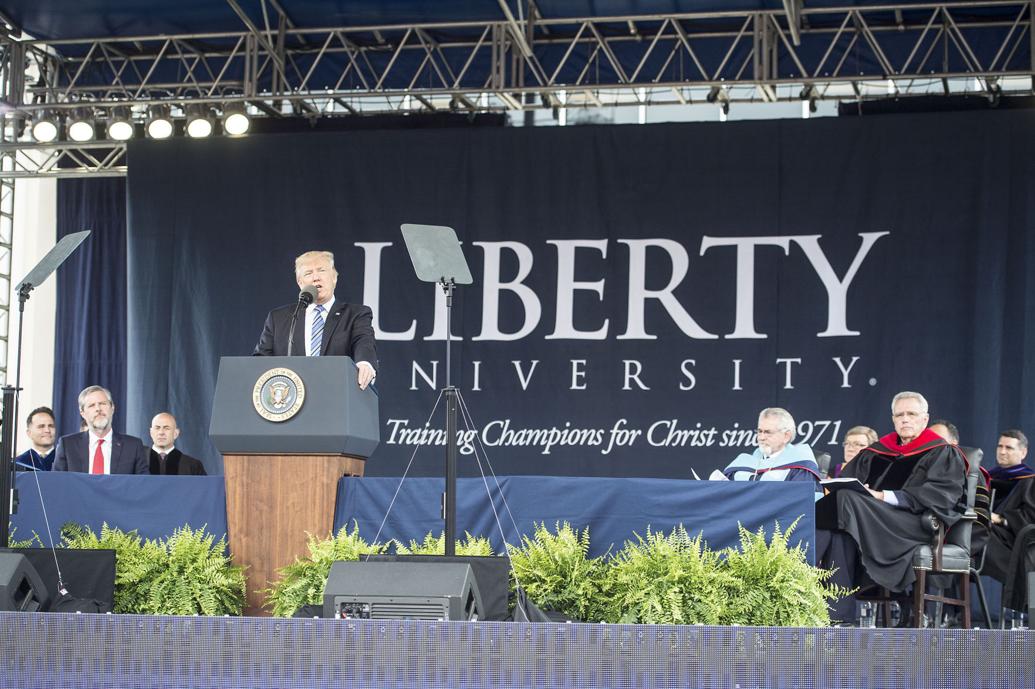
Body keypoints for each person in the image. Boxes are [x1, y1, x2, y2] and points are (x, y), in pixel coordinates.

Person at [815, 391, 967, 623]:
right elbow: (847, 478)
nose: (905, 419)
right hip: (871, 519)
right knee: (837, 533)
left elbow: (940, 497)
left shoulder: (942, 452)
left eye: (911, 414)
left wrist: (882, 495)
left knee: (844, 500)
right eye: (899, 415)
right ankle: (838, 617)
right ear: (893, 419)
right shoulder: (877, 451)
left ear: (925, 419)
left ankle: (794, 572)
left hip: (912, 524)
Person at [253, 250, 378, 390]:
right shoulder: (278, 318)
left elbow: (363, 341)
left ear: (334, 277)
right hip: (289, 400)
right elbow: (260, 362)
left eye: (321, 270)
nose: (315, 278)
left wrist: (365, 363)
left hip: (337, 395)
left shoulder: (356, 314)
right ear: (300, 282)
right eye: (308, 273)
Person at [52, 385, 149, 474]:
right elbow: (57, 484)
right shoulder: (67, 445)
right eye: (91, 405)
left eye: (102, 403)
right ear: (82, 413)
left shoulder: (133, 446)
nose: (98, 408)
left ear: (112, 408)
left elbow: (142, 486)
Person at [723, 408, 821, 489]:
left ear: (786, 436)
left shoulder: (800, 466)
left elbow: (801, 503)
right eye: (759, 431)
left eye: (768, 432)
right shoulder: (743, 463)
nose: (761, 437)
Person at [988, 430, 1035, 510]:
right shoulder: (988, 476)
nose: (1002, 452)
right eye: (1000, 446)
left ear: (1023, 453)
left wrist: (1002, 518)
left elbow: (1029, 514)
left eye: (1009, 448)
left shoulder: (1030, 480)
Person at [14, 406, 57, 471]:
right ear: (29, 433)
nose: (47, 430)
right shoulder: (18, 463)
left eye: (51, 426)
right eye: (41, 426)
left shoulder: (66, 461)